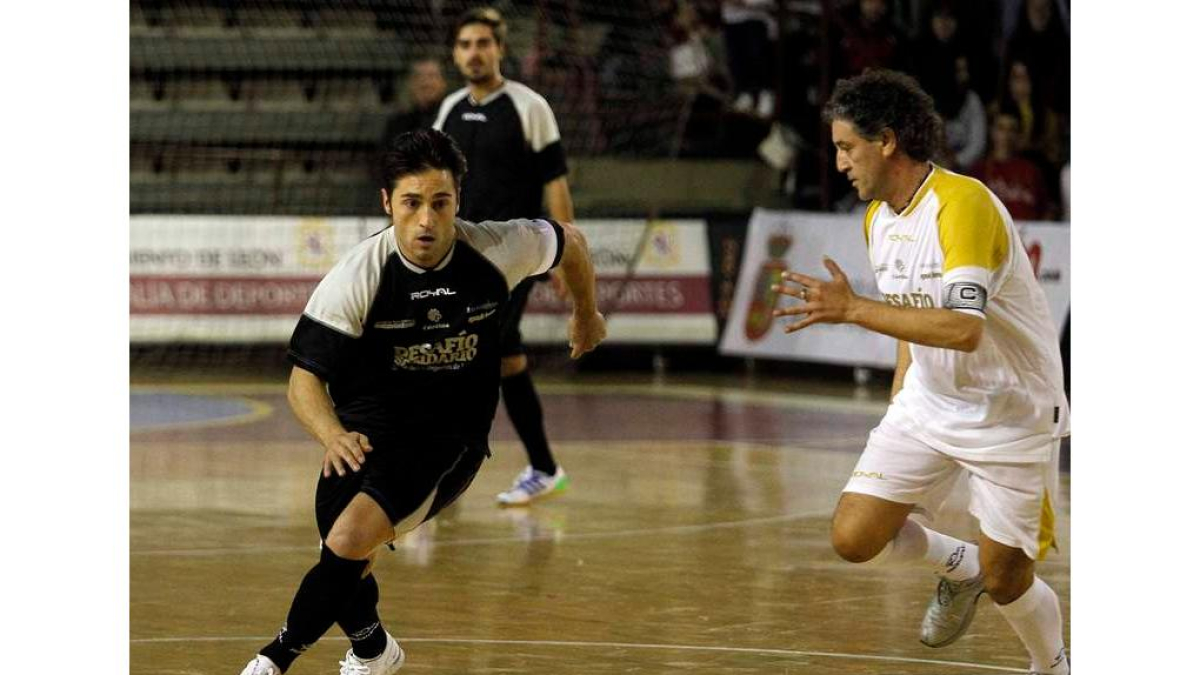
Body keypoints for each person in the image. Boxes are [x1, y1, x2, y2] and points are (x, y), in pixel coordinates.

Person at [237, 128, 606, 675]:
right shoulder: (358, 276)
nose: (428, 220)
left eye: (441, 203)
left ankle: (273, 660)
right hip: (364, 429)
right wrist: (332, 434)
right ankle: (374, 651)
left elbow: (570, 241)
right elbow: (303, 381)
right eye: (412, 204)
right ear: (388, 203)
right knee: (340, 559)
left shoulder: (497, 248)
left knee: (347, 539)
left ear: (459, 200)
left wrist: (585, 311)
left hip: (448, 435)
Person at [774, 70, 1069, 674]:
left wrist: (853, 307)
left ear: (886, 141)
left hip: (1012, 412)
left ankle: (1054, 665)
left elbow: (964, 329)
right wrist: (897, 407)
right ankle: (958, 568)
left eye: (846, 147)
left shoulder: (962, 205)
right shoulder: (878, 217)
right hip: (928, 405)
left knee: (1008, 578)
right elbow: (909, 318)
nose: (839, 163)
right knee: (854, 538)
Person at [434, 7, 579, 506]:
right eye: (465, 45)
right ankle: (543, 466)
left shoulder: (529, 106)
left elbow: (554, 183)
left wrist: (564, 255)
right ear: (455, 54)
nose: (475, 52)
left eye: (483, 43)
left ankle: (440, 473)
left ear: (500, 49)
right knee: (505, 358)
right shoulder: (449, 109)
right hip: (460, 257)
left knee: (468, 354)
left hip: (515, 257)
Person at [381, 56, 448, 146]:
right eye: (418, 76)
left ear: (443, 83)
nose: (425, 83)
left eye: (432, 76)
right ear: (410, 84)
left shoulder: (455, 122)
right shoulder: (396, 125)